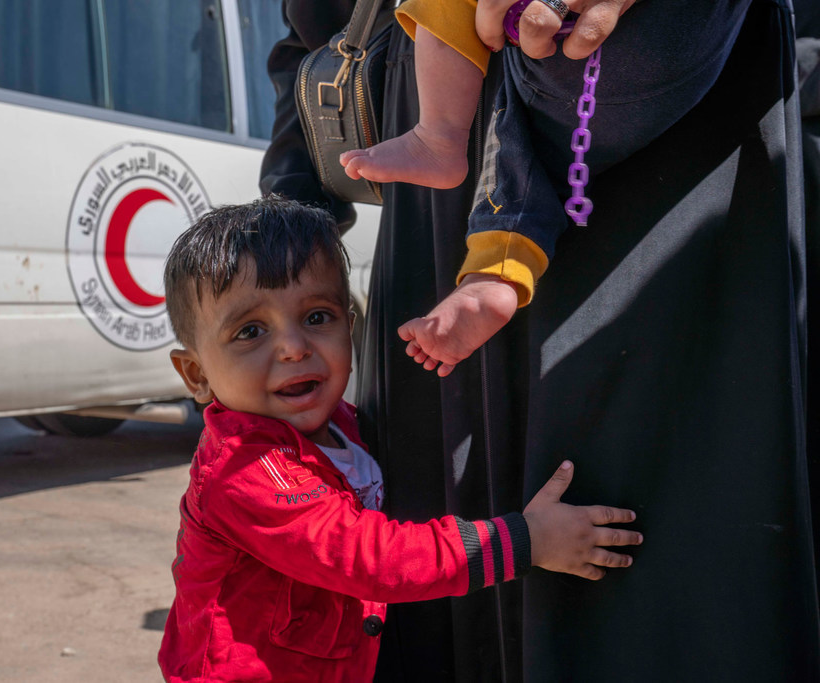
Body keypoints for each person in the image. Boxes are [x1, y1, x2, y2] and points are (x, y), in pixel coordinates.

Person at [262, 0, 819, 681]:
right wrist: (283, 232)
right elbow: (318, 27)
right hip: (445, 167)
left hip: (683, 140)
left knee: (659, 573)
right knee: (451, 570)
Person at [155, 196, 643, 682]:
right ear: (196, 374)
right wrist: (527, 540)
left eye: (317, 317)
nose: (293, 347)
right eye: (251, 331)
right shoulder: (245, 469)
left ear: (352, 324)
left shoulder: (342, 424)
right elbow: (372, 559)